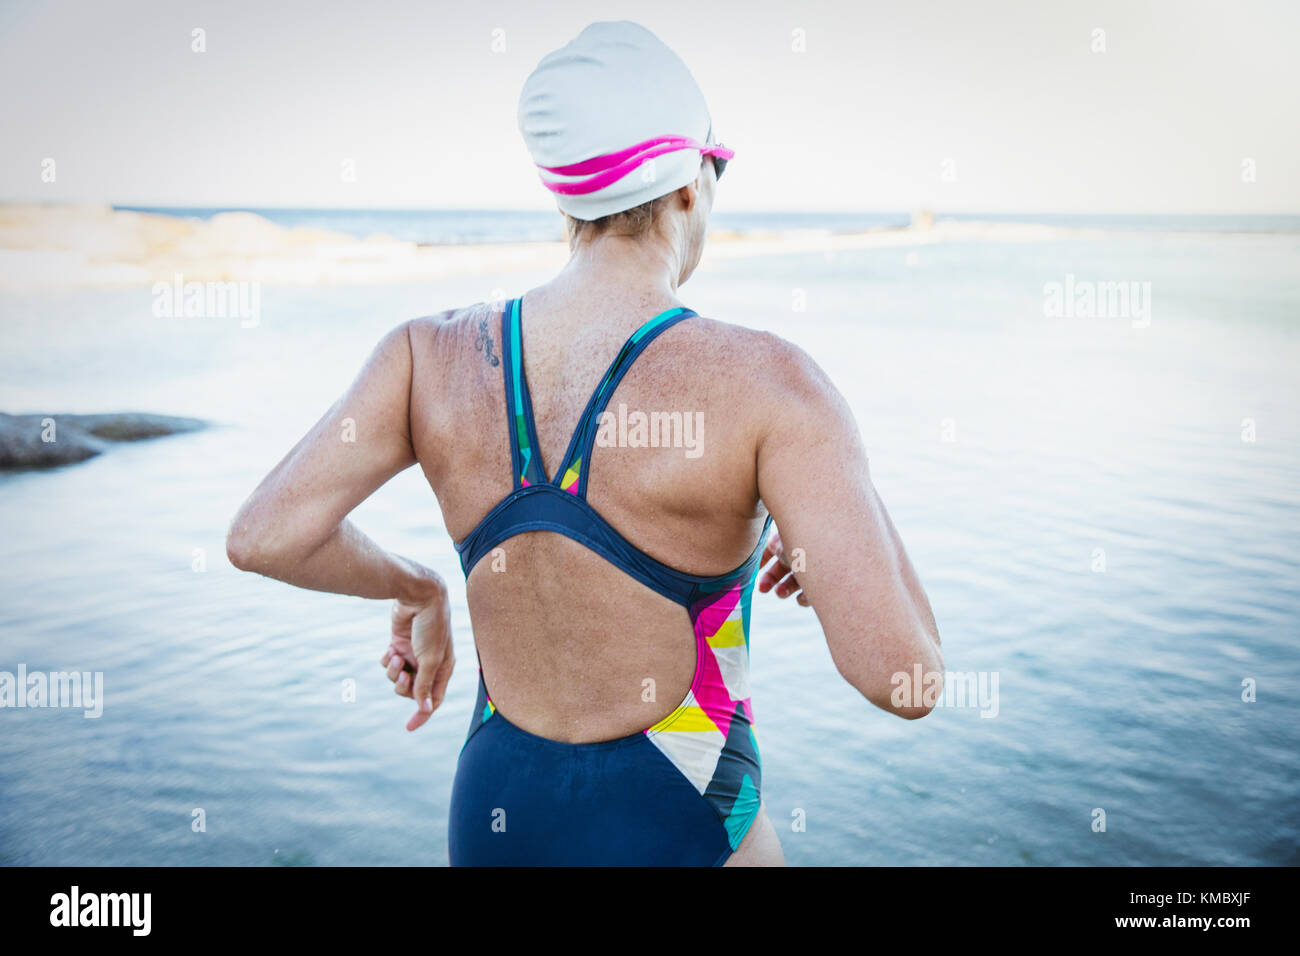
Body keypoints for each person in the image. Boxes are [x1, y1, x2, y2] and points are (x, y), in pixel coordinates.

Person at [226, 20, 942, 867]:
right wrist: (838, 512)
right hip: (679, 817)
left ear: (567, 198)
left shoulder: (427, 355)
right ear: (688, 185)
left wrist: (417, 586)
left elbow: (262, 535)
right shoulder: (772, 385)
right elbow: (906, 681)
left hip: (495, 810)